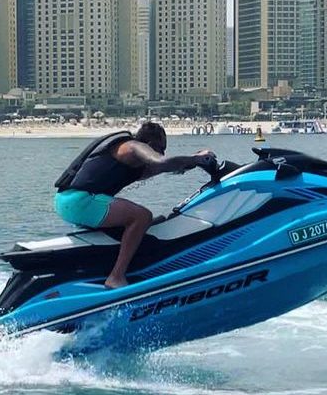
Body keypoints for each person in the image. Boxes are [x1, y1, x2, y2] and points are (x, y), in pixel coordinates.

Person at [54, 121, 216, 289]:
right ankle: (116, 277)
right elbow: (162, 162)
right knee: (142, 217)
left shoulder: (131, 162)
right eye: (162, 147)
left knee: (149, 225)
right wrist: (196, 158)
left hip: (66, 201)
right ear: (151, 145)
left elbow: (167, 167)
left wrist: (196, 161)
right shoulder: (133, 147)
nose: (163, 152)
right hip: (80, 201)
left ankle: (110, 269)